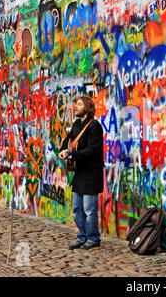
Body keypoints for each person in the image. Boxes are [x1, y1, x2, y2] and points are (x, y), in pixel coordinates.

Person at [59, 96, 104, 250]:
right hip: (79, 173)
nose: (75, 107)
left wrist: (72, 155)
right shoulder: (76, 124)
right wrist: (64, 151)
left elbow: (92, 151)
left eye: (79, 104)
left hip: (91, 173)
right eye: (75, 104)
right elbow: (68, 141)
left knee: (89, 210)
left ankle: (93, 239)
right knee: (77, 209)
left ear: (88, 107)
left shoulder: (94, 126)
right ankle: (82, 237)